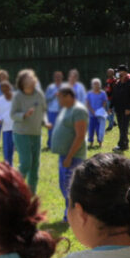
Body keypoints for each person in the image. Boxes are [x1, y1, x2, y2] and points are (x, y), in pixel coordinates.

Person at [50, 87, 88, 221]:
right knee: (65, 186)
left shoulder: (78, 110)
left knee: (71, 187)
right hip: (65, 156)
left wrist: (69, 156)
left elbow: (80, 135)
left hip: (73, 157)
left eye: (60, 97)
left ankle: (72, 215)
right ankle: (70, 213)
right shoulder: (67, 109)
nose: (58, 100)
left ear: (68, 96)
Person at [9, 69, 47, 193]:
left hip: (36, 133)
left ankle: (31, 194)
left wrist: (46, 122)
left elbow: (43, 111)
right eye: (29, 78)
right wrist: (24, 115)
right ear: (23, 83)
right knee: (26, 163)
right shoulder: (18, 96)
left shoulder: (39, 94)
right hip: (21, 133)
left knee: (35, 166)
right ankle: (14, 188)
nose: (32, 80)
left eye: (33, 78)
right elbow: (13, 114)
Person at [110, 64, 130, 153]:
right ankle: (125, 144)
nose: (117, 73)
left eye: (119, 71)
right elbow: (114, 96)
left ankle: (121, 145)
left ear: (125, 72)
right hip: (118, 109)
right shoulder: (117, 83)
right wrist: (111, 106)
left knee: (124, 127)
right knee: (121, 127)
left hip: (127, 110)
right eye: (117, 71)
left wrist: (129, 108)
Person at [0, 79, 15, 165]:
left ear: (10, 87)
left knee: (17, 151)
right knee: (7, 151)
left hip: (17, 128)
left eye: (6, 88)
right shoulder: (0, 100)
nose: (5, 91)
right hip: (6, 128)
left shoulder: (16, 98)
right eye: (3, 89)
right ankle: (8, 168)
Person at [85, 78, 108, 147]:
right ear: (92, 85)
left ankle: (100, 142)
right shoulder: (89, 93)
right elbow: (87, 103)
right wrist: (92, 111)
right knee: (91, 130)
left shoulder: (103, 93)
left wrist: (101, 110)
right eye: (94, 84)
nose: (96, 85)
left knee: (99, 130)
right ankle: (91, 143)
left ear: (100, 85)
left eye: (97, 84)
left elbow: (104, 102)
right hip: (91, 115)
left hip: (100, 116)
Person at [44, 70, 63, 148]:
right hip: (51, 111)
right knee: (51, 128)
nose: (58, 78)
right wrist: (54, 95)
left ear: (62, 78)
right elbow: (46, 98)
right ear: (54, 78)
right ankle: (50, 144)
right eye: (56, 77)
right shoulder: (50, 87)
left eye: (59, 77)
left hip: (62, 111)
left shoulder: (65, 87)